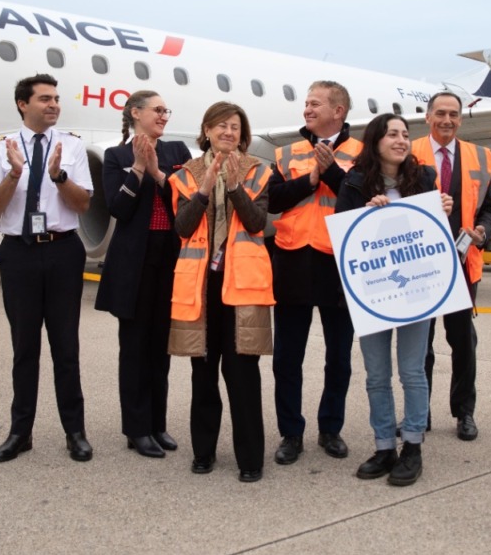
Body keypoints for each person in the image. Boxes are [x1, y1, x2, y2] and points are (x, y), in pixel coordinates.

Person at [0, 73, 94, 464]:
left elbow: (82, 204)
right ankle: (20, 432)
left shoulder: (72, 146)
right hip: (19, 253)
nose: (54, 105)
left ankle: (75, 432)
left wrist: (59, 176)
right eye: (45, 99)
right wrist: (15, 173)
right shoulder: (0, 149)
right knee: (24, 348)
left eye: (56, 99)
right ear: (22, 104)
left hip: (63, 250)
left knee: (66, 347)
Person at [337, 114, 452, 487]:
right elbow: (343, 236)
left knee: (413, 371)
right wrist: (364, 214)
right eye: (392, 134)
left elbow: (435, 235)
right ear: (376, 141)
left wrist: (444, 211)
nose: (401, 140)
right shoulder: (354, 182)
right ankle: (384, 445)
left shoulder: (424, 179)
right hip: (374, 291)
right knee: (377, 375)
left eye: (405, 134)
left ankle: (413, 446)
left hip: (417, 289)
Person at [168, 102, 274, 482]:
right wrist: (205, 189)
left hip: (242, 284)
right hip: (202, 284)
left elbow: (258, 223)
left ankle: (251, 459)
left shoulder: (258, 171)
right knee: (203, 373)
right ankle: (203, 452)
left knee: (243, 374)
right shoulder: (185, 175)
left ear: (242, 134)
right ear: (207, 130)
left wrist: (233, 186)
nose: (228, 132)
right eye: (221, 126)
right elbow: (182, 228)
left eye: (235, 127)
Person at [267, 81, 362, 465]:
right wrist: (309, 179)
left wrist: (331, 172)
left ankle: (330, 429)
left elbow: (359, 199)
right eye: (306, 103)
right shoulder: (286, 152)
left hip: (339, 263)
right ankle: (291, 433)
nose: (307, 109)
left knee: (339, 357)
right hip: (292, 258)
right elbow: (272, 200)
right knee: (286, 358)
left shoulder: (362, 153)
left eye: (315, 103)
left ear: (338, 111)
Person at [95, 91, 192, 458]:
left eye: (167, 110)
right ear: (135, 113)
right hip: (134, 261)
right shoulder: (116, 157)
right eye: (157, 110)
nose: (164, 116)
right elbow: (119, 208)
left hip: (169, 257)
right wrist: (137, 168)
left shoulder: (177, 152)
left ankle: (157, 424)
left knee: (160, 347)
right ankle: (136, 429)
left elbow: (187, 203)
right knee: (135, 347)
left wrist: (157, 174)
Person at [411, 91, 491, 440]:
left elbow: (489, 209)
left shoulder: (481, 156)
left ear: (461, 119)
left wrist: (483, 231)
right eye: (441, 113)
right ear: (428, 116)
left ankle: (464, 412)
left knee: (463, 341)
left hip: (462, 262)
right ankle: (420, 413)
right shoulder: (408, 152)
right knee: (420, 344)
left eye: (453, 115)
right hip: (419, 264)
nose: (447, 120)